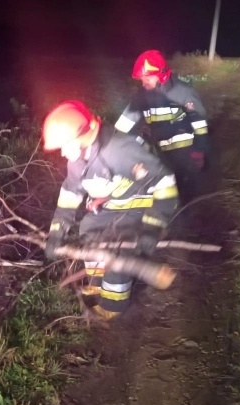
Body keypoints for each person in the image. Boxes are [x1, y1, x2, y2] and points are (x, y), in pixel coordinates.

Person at [41, 100, 179, 321]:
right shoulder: (77, 158)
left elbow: (164, 183)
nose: (64, 153)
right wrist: (57, 231)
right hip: (116, 203)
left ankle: (113, 304)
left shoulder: (121, 150)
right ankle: (98, 282)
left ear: (86, 134)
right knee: (89, 228)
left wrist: (153, 226)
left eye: (66, 145)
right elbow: (70, 194)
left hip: (143, 203)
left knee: (116, 246)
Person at [115, 49, 211, 204]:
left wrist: (199, 151)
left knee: (185, 191)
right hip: (160, 150)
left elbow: (200, 125)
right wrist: (111, 144)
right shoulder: (142, 96)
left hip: (185, 152)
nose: (144, 82)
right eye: (141, 79)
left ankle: (187, 207)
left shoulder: (184, 93)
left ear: (162, 75)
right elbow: (124, 124)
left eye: (148, 78)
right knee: (161, 188)